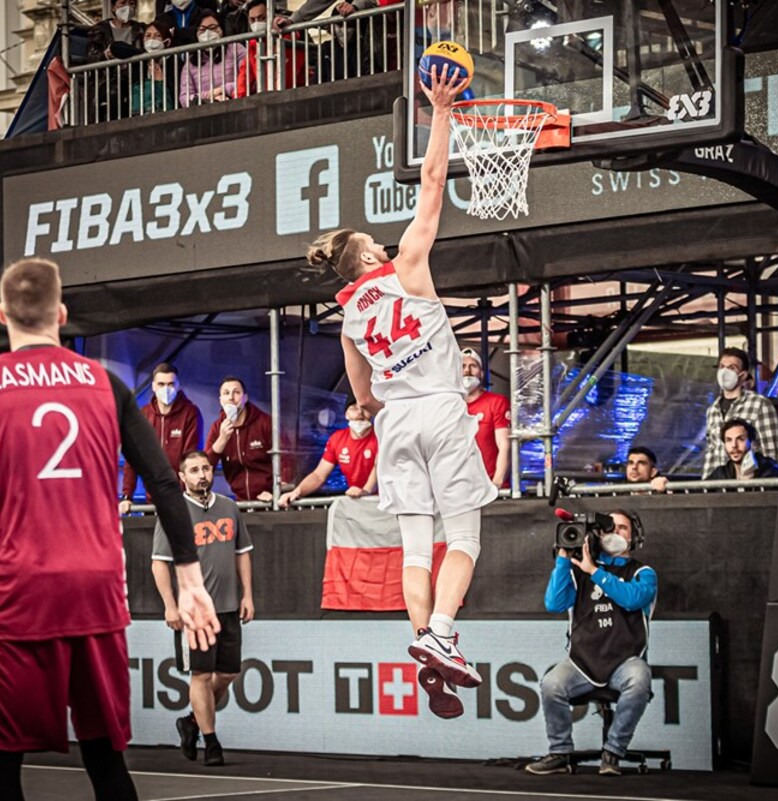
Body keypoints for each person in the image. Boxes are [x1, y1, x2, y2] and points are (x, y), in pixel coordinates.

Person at [0, 258, 219, 801]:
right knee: (105, 759)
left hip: (16, 594)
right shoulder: (106, 386)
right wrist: (190, 580)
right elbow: (166, 485)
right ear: (62, 313)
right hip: (96, 592)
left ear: (2, 315)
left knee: (0, 764)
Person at [305, 65, 496, 719]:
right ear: (365, 256)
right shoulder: (406, 262)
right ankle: (443, 633)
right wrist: (440, 112)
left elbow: (361, 397)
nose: (378, 239)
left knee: (417, 545)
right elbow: (434, 184)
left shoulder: (348, 316)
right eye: (369, 240)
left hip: (395, 426)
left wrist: (384, 397)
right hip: (442, 409)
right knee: (463, 537)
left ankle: (425, 642)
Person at [527, 510, 657, 777]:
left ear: (635, 537)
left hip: (625, 661)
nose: (616, 533)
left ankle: (613, 752)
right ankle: (560, 753)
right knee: (552, 684)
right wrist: (564, 558)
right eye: (610, 528)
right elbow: (553, 604)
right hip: (582, 662)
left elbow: (632, 599)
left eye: (622, 528)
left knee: (640, 678)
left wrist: (595, 571)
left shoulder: (643, 572)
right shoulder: (579, 572)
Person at [152, 451, 253, 767]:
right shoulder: (174, 513)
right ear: (182, 477)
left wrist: (247, 595)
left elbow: (242, 553)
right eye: (194, 470)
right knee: (201, 674)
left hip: (227, 606)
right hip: (194, 611)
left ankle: (192, 722)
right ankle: (211, 742)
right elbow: (160, 563)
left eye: (206, 468)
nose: (202, 475)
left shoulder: (228, 507)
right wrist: (170, 606)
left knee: (228, 673)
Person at [120, 362, 203, 513]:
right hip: (152, 500)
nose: (166, 389)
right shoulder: (143, 415)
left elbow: (191, 457)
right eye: (161, 384)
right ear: (153, 386)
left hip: (184, 500)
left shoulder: (190, 413)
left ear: (178, 386)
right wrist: (127, 496)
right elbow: (132, 459)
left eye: (171, 384)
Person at [701, 347, 778, 478]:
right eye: (722, 367)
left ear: (743, 375)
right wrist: (706, 487)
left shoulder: (760, 404)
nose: (724, 372)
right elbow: (711, 454)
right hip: (720, 488)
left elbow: (771, 454)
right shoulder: (712, 410)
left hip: (751, 487)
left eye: (732, 368)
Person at [279, 403, 378, 506]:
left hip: (383, 502)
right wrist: (297, 492)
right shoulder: (337, 439)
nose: (360, 414)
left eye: (365, 409)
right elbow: (319, 475)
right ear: (346, 414)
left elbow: (378, 467)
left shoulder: (380, 436)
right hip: (356, 501)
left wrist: (366, 491)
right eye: (354, 408)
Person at [205, 376, 286, 502]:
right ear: (221, 400)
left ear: (245, 398)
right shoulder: (217, 427)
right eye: (226, 393)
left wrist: (277, 492)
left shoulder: (265, 422)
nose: (231, 397)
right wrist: (221, 440)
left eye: (236, 392)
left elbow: (287, 459)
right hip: (240, 500)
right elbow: (205, 467)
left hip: (269, 499)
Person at [233, 0, 308, 98]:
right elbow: (244, 78)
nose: (257, 23)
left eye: (262, 18)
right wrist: (237, 102)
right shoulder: (253, 45)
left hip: (295, 97)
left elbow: (293, 75)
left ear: (272, 16)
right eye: (252, 20)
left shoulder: (289, 39)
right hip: (269, 99)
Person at [461, 348, 509, 488]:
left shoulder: (496, 402)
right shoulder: (450, 406)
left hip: (490, 487)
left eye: (473, 366)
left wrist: (497, 483)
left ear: (481, 373)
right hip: (459, 490)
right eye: (462, 366)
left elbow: (505, 445)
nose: (467, 371)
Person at [178, 9, 243, 106]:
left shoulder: (236, 49)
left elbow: (247, 80)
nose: (207, 33)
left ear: (221, 30)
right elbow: (184, 97)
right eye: (202, 29)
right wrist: (210, 96)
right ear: (196, 34)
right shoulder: (190, 63)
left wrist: (223, 90)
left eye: (213, 28)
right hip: (204, 111)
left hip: (236, 104)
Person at [705, 418, 778, 481]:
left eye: (740, 439)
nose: (734, 445)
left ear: (751, 442)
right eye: (729, 440)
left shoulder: (769, 469)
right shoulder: (721, 473)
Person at [131, 21, 177, 116]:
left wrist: (160, 82)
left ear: (167, 41)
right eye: (148, 36)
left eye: (157, 36)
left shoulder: (174, 63)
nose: (152, 39)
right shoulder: (138, 64)